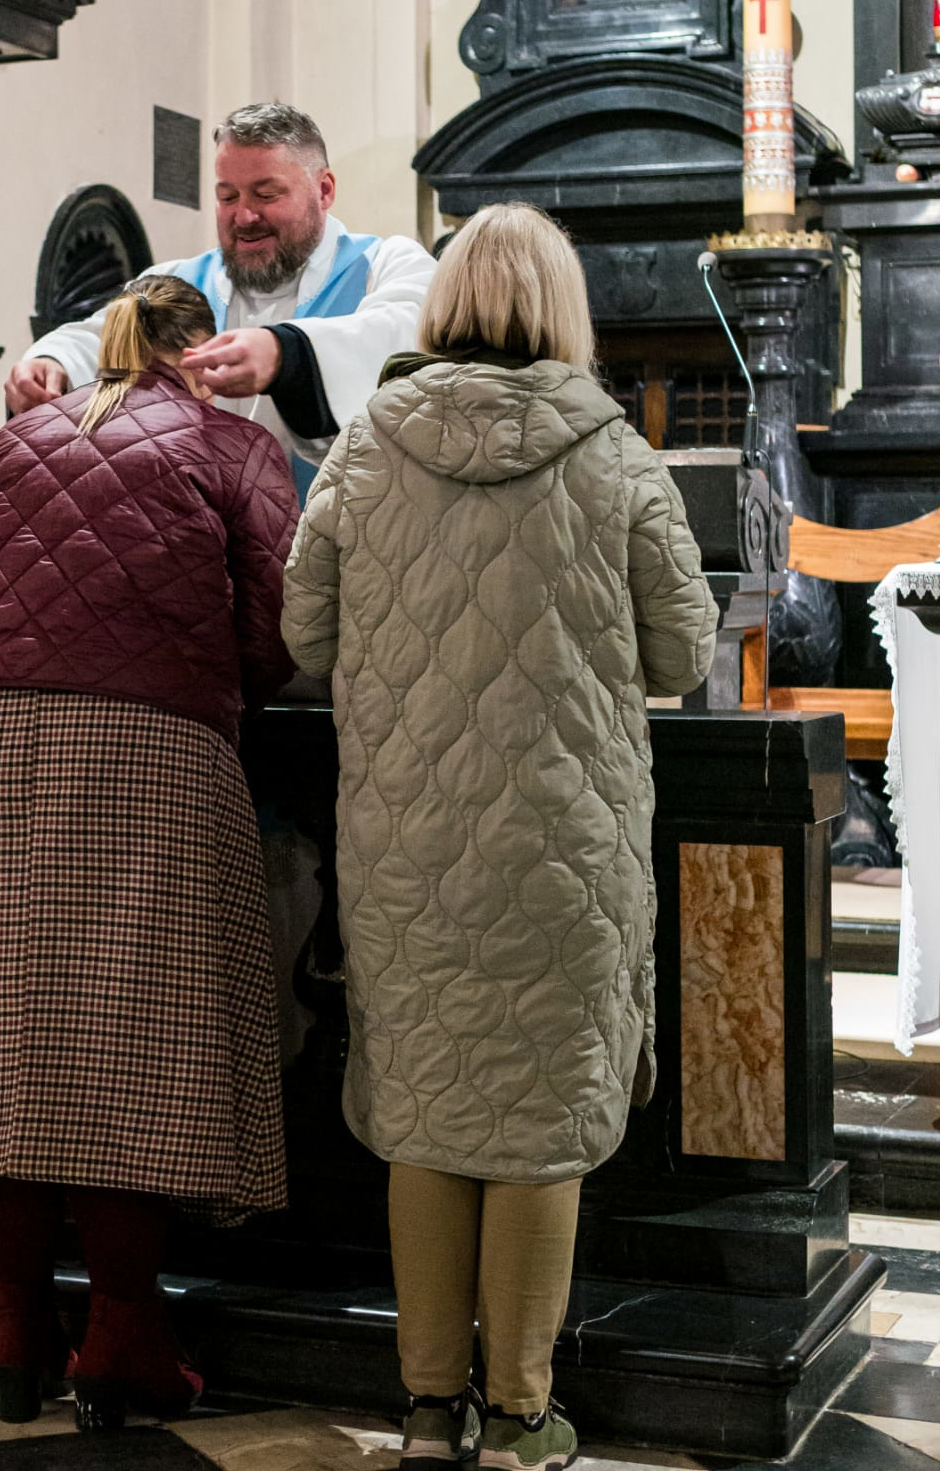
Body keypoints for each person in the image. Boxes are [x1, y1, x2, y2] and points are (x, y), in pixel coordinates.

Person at [281, 205, 716, 1471]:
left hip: (407, 840)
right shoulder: (617, 453)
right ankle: (522, 1415)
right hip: (567, 845)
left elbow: (304, 635)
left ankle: (426, 1407)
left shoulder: (364, 447)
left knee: (424, 1104)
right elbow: (686, 650)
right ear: (561, 308)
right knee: (538, 1115)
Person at [0, 275, 298, 1431]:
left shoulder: (14, 440)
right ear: (199, 354)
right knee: (132, 1033)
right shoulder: (230, 445)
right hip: (149, 751)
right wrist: (213, 684)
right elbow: (281, 626)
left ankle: (20, 1323)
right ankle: (124, 1326)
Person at [4, 103, 438, 499]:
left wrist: (288, 356)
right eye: (228, 196)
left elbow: (406, 329)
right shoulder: (178, 280)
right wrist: (51, 363)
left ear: (323, 191)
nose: (244, 217)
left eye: (266, 195)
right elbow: (97, 338)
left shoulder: (383, 265)